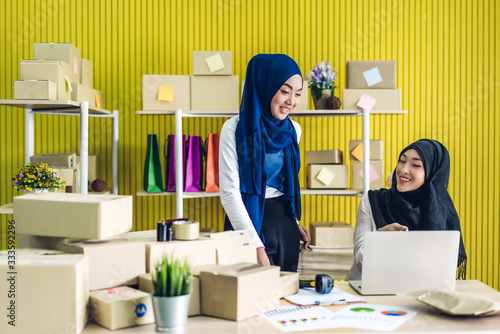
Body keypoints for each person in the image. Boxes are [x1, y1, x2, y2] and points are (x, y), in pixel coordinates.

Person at [219, 54, 311, 272]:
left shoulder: (293, 130)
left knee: (285, 298)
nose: (292, 101)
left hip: (284, 224)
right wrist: (255, 244)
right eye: (285, 91)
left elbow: (285, 186)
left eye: (297, 94)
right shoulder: (234, 129)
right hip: (247, 225)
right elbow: (230, 193)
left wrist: (294, 222)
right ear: (264, 87)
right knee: (247, 300)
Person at [346, 139, 467, 280]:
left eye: (415, 165)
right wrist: (380, 238)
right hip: (369, 291)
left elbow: (444, 273)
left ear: (432, 175)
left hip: (422, 294)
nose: (403, 170)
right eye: (402, 161)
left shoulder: (442, 212)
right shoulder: (372, 201)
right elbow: (361, 261)